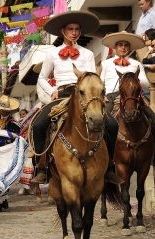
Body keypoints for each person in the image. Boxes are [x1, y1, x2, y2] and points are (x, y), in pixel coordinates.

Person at [31, 11, 108, 184]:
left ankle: (109, 166)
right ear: (62, 31)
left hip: (85, 96)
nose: (74, 32)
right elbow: (42, 77)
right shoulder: (52, 53)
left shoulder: (87, 54)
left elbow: (91, 78)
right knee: (37, 125)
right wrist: (52, 90)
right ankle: (41, 167)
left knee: (110, 123)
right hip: (62, 95)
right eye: (70, 29)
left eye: (77, 29)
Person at [100, 31, 155, 141]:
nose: (123, 48)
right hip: (111, 97)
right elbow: (101, 83)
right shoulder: (105, 63)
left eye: (126, 45)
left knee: (153, 118)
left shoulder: (136, 64)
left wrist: (133, 80)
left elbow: (145, 84)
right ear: (115, 46)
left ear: (129, 47)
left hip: (133, 96)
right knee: (101, 123)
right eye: (120, 45)